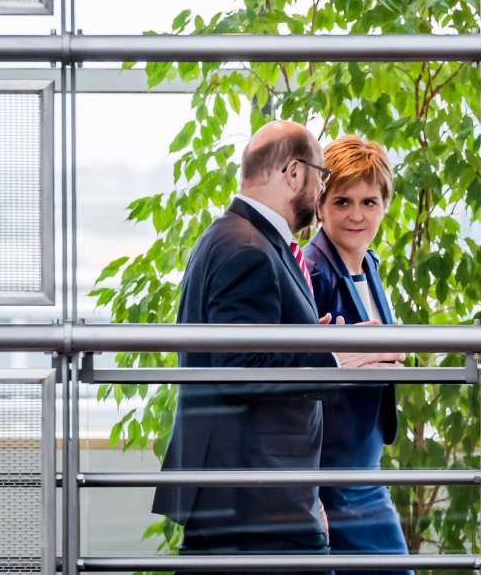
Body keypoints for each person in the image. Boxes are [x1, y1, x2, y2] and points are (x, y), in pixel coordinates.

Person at [151, 122, 405, 572]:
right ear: (293, 173)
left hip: (251, 494)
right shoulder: (246, 249)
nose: (322, 189)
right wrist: (331, 356)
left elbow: (249, 347)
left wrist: (315, 341)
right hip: (256, 497)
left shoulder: (236, 237)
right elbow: (242, 364)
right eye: (321, 178)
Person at [303, 135, 411, 575]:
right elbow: (299, 375)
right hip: (331, 471)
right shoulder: (312, 269)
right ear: (321, 205)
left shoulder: (369, 265)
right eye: (343, 202)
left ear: (385, 203)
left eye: (369, 202)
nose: (357, 215)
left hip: (364, 466)